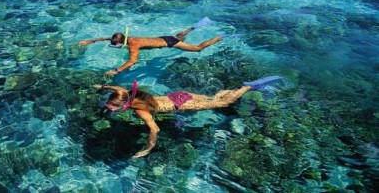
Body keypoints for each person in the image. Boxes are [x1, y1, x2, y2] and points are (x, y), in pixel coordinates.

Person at [94, 77, 280, 158]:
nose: (110, 109)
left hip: (181, 104)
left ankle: (247, 87)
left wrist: (148, 148)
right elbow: (115, 88)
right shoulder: (126, 93)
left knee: (222, 104)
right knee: (211, 99)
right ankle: (229, 90)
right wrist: (102, 87)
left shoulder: (140, 111)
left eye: (112, 108)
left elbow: (155, 129)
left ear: (125, 105)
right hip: (178, 95)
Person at [78, 23, 222, 76]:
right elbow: (106, 38)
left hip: (169, 42)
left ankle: (218, 38)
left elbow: (132, 61)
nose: (113, 44)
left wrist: (116, 71)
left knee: (198, 49)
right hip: (163, 38)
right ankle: (190, 29)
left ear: (120, 42)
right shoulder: (128, 38)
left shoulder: (133, 46)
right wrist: (90, 41)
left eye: (114, 44)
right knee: (179, 38)